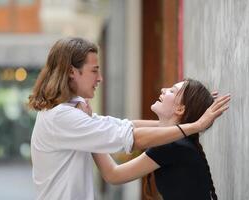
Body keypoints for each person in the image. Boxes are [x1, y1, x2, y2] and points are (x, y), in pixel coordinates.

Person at [28, 37, 230, 200]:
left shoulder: (67, 111)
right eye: (94, 71)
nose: (100, 78)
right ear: (72, 72)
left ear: (180, 109)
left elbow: (126, 130)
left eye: (171, 90)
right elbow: (129, 139)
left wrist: (194, 123)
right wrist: (194, 124)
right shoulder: (64, 116)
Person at [92, 79, 224, 200]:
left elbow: (114, 175)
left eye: (172, 91)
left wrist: (89, 135)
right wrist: (194, 113)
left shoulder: (172, 145)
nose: (163, 90)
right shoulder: (179, 142)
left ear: (180, 109)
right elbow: (129, 126)